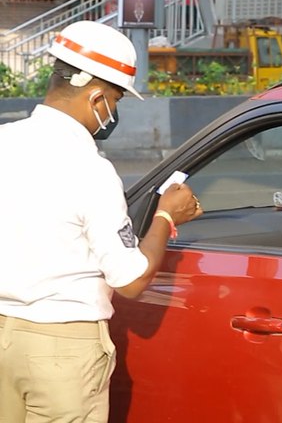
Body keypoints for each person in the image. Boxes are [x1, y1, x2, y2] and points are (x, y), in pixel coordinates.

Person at [0, 21, 201, 423]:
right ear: (96, 98)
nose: (114, 112)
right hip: (62, 347)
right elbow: (130, 280)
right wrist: (165, 214)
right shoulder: (90, 170)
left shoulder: (5, 141)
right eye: (117, 101)